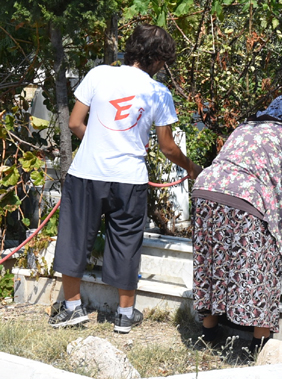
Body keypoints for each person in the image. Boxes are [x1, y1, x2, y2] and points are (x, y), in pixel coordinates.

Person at [49, 24, 202, 334]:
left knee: (75, 238)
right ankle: (124, 315)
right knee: (126, 243)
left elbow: (76, 122)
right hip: (129, 179)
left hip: (87, 173)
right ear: (158, 60)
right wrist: (191, 167)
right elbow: (167, 146)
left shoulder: (98, 74)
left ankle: (73, 309)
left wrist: (100, 141)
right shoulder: (159, 92)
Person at [191, 95, 282, 354]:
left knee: (213, 261)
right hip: (248, 201)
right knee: (261, 266)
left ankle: (209, 333)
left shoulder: (245, 127)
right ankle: (260, 345)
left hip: (206, 193)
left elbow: (258, 164)